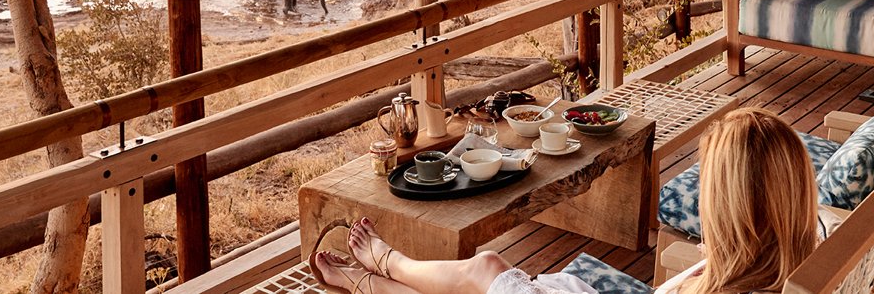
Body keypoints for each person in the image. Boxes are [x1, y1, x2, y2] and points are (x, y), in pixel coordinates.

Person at [312, 108, 828, 294]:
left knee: (487, 266)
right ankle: (378, 279)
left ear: (733, 207)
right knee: (488, 272)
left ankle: (383, 267)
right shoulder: (792, 256)